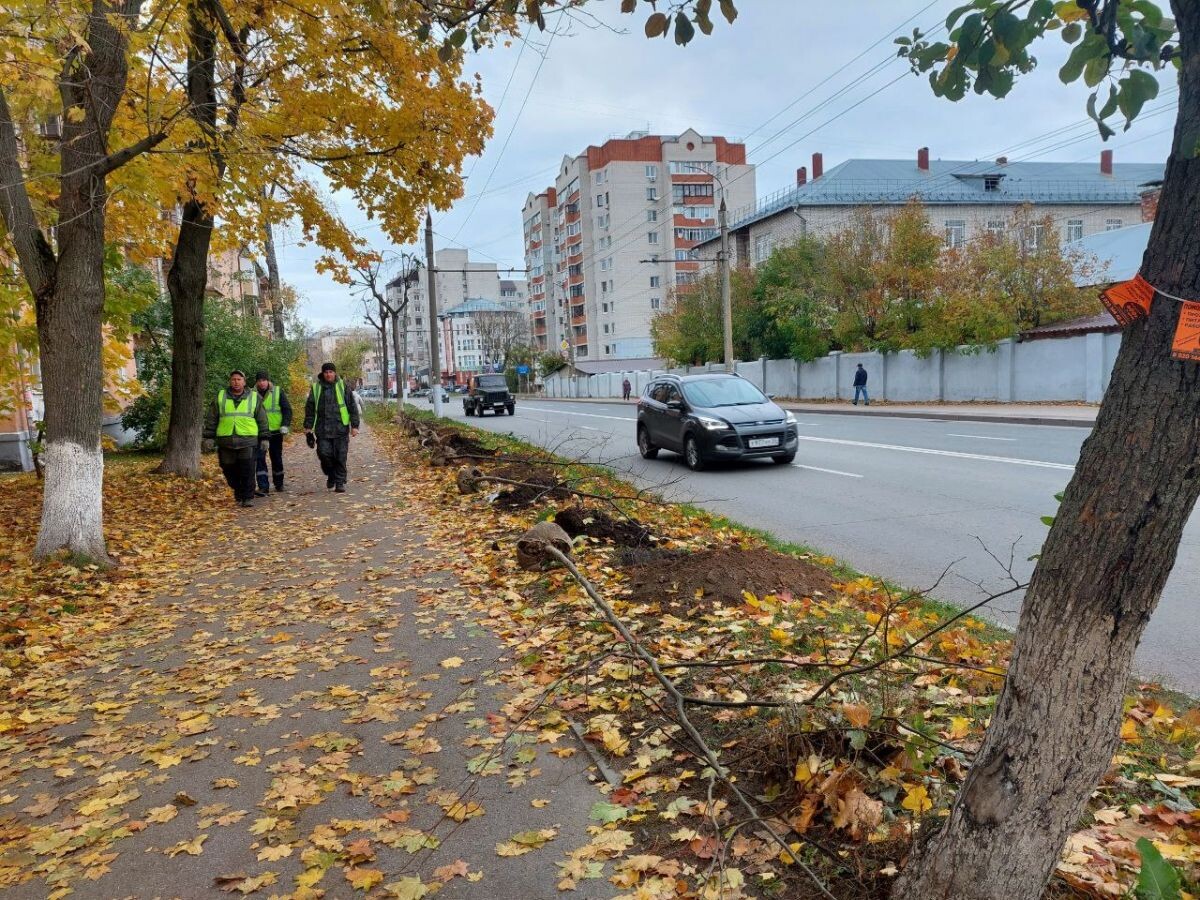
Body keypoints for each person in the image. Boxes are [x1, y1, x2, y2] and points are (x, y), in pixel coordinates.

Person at [203, 370, 269, 508]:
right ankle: (238, 491)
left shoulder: (254, 397)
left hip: (248, 440)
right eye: (233, 379)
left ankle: (247, 497)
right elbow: (212, 417)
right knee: (228, 469)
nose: (236, 382)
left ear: (244, 382)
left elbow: (262, 418)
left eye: (239, 379)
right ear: (230, 381)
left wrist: (264, 438)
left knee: (248, 470)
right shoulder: (221, 396)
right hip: (226, 441)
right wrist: (208, 437)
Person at [304, 361, 360, 493]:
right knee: (323, 454)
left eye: (331, 372)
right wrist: (308, 427)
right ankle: (331, 474)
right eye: (326, 372)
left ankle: (339, 482)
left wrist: (355, 425)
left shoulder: (342, 386)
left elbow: (352, 406)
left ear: (335, 373)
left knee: (340, 456)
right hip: (322, 429)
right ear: (322, 374)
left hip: (340, 428)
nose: (328, 374)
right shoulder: (316, 388)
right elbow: (310, 409)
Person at [254, 370, 293, 495]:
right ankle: (263, 486)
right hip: (259, 432)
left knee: (276, 457)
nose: (262, 383)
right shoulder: (251, 394)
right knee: (259, 458)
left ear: (268, 381)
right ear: (256, 382)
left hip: (276, 432)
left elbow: (287, 409)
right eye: (259, 381)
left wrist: (285, 425)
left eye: (264, 380)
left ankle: (279, 483)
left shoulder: (277, 391)